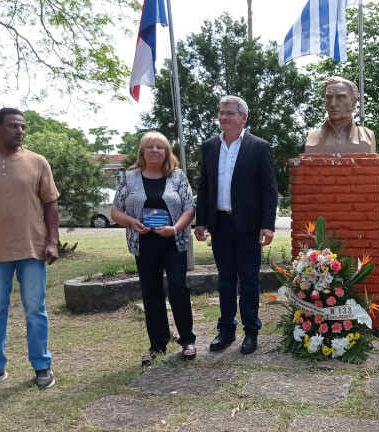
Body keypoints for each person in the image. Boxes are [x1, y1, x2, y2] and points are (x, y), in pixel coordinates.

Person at [0, 108, 60, 393]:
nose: (20, 131)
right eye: (14, 126)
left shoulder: (37, 162)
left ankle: (42, 365)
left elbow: (51, 204)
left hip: (33, 250)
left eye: (23, 127)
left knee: (35, 310)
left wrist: (52, 241)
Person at [194, 95, 278, 355]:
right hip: (220, 224)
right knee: (225, 280)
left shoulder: (259, 147)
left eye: (229, 113)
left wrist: (268, 224)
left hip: (249, 226)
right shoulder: (209, 147)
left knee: (250, 280)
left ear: (243, 118)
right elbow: (205, 186)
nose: (223, 117)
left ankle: (250, 332)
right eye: (221, 112)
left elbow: (269, 189)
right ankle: (226, 329)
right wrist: (201, 220)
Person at [110, 132, 196, 365]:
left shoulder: (177, 177)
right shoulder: (130, 177)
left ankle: (187, 339)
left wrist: (176, 228)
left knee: (178, 287)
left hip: (173, 243)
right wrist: (131, 222)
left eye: (160, 147)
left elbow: (189, 207)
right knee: (151, 292)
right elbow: (116, 211)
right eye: (150, 147)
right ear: (142, 151)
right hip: (144, 243)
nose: (155, 150)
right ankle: (158, 342)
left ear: (167, 152)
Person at [305, 76, 376, 154]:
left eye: (341, 97)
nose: (333, 104)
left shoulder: (366, 136)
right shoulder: (313, 138)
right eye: (329, 97)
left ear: (353, 102)